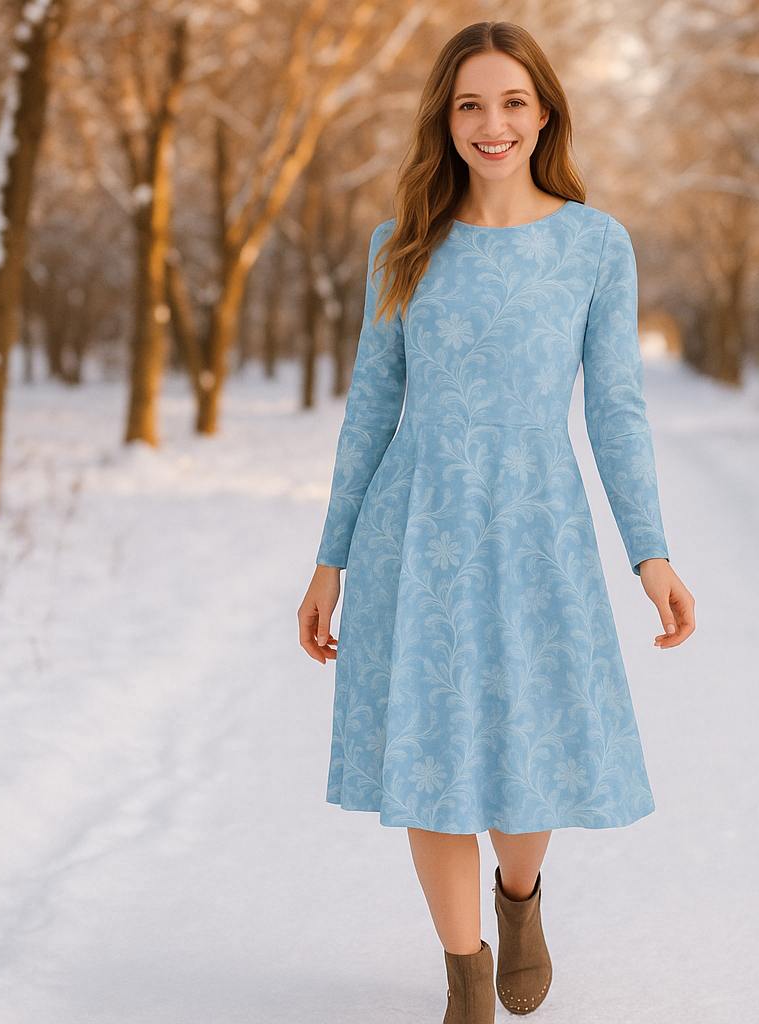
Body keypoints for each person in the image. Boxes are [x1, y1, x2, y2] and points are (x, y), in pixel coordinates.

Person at [297, 21, 695, 1023]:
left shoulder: (592, 244)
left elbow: (615, 408)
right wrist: (329, 559)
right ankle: (464, 974)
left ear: (544, 111)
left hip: (536, 526)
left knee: (525, 751)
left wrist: (649, 552)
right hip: (412, 528)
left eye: (512, 102)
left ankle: (519, 898)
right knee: (430, 758)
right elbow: (368, 408)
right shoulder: (403, 244)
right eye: (470, 104)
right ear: (445, 117)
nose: (492, 124)